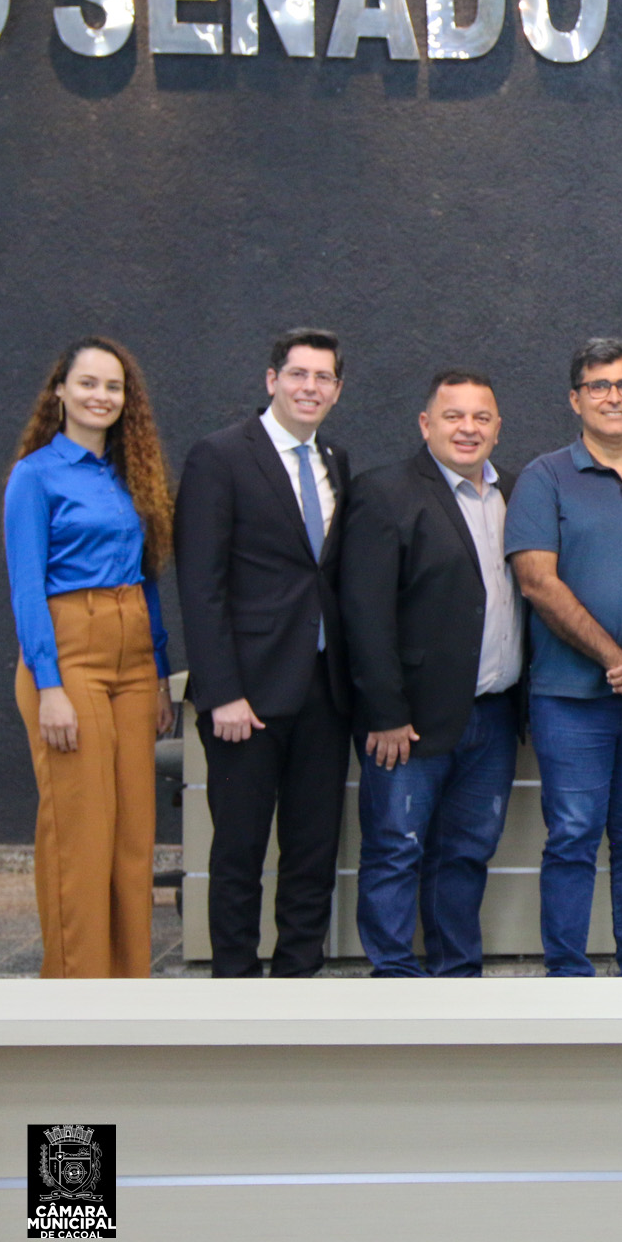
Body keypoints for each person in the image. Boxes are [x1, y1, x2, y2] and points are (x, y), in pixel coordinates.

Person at [505, 338, 622, 978]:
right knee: (572, 838)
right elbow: (537, 581)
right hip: (569, 700)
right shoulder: (543, 477)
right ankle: (567, 974)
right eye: (598, 386)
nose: (613, 397)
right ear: (575, 399)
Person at [177, 327, 353, 979]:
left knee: (312, 849)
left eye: (324, 377)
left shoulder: (336, 457)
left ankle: (298, 979)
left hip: (322, 690)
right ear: (271, 378)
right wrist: (221, 690)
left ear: (338, 389)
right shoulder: (219, 456)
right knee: (240, 850)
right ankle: (234, 986)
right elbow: (200, 582)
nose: (311, 387)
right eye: (298, 374)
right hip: (244, 696)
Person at [341, 370, 524, 977]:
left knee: (466, 854)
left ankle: (455, 977)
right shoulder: (384, 492)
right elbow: (364, 614)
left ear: (498, 428)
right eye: (453, 416)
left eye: (480, 417)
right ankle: (394, 979)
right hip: (411, 721)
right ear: (426, 424)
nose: (467, 429)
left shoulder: (515, 493)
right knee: (396, 849)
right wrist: (385, 713)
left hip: (494, 715)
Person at [5, 337, 175, 978]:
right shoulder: (36, 475)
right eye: (87, 384)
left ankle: (130, 990)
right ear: (59, 392)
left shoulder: (131, 475)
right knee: (81, 830)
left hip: (133, 656)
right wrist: (49, 685)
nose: (100, 396)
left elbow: (146, 579)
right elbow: (26, 587)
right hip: (68, 652)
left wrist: (158, 674)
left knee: (134, 837)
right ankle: (76, 992)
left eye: (113, 387)